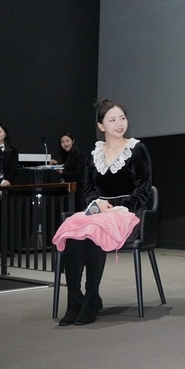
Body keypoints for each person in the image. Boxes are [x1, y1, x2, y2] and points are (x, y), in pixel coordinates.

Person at [52, 99, 152, 326]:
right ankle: (74, 298)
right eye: (112, 120)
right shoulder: (94, 154)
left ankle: (91, 297)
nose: (119, 124)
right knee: (72, 228)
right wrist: (97, 204)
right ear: (101, 125)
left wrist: (122, 206)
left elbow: (144, 188)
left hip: (128, 212)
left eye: (122, 118)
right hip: (100, 210)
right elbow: (88, 191)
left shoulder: (137, 149)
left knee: (94, 229)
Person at [51, 132, 85, 196]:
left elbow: (79, 174)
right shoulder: (63, 154)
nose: (65, 144)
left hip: (74, 190)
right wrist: (57, 163)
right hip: (64, 188)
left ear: (73, 141)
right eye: (63, 142)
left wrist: (63, 173)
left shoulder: (77, 155)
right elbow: (66, 165)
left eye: (67, 141)